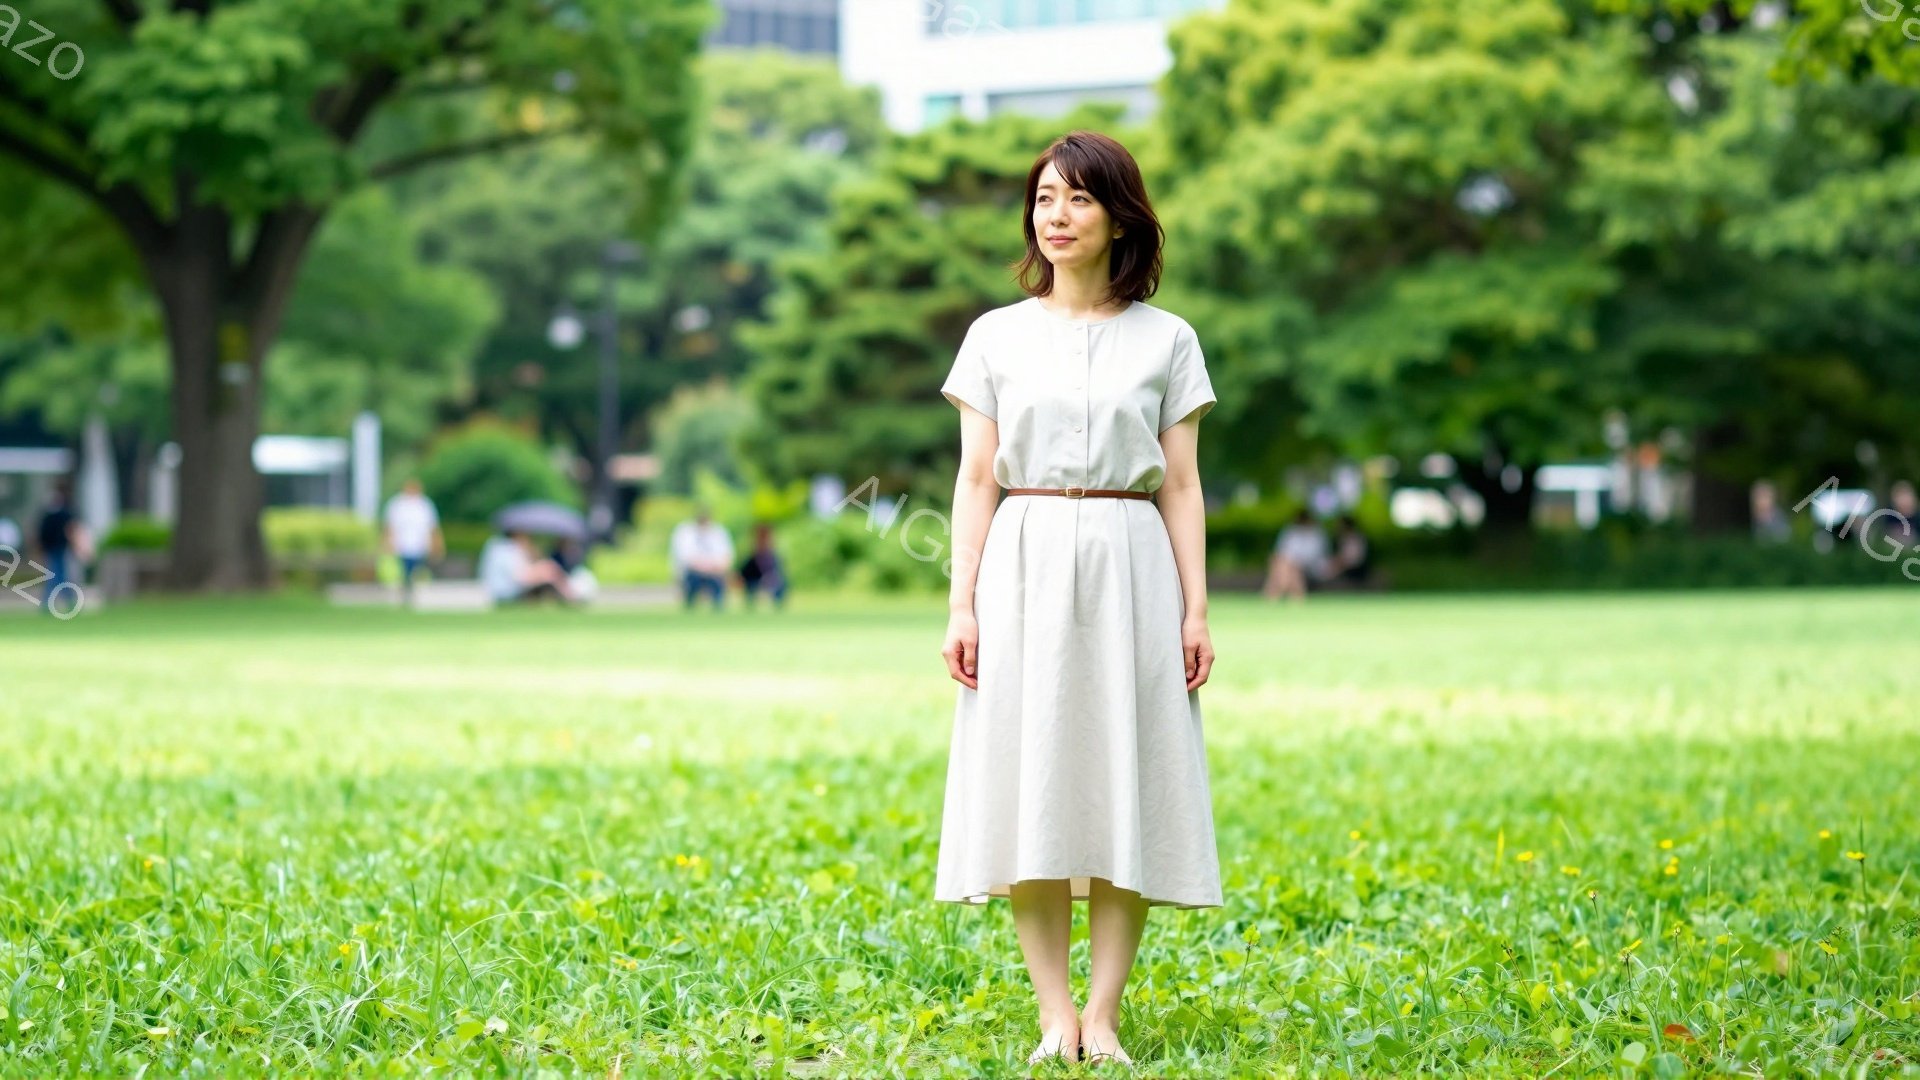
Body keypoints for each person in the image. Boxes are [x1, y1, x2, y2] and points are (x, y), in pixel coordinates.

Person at [935, 130, 1222, 1068]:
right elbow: (977, 478)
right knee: (1035, 786)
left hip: (1133, 559)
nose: (1056, 217)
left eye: (1079, 200)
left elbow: (1179, 483)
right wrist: (962, 603)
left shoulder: (1168, 338)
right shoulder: (995, 335)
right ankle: (1053, 1013)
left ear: (1119, 216)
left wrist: (1195, 609)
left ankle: (1104, 1014)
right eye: (1044, 199)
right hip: (1021, 559)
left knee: (1121, 781)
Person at [33, 479, 90, 615]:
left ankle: (51, 603)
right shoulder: (64, 510)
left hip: (54, 547)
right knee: (58, 575)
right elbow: (69, 529)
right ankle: (64, 602)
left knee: (56, 575)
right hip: (57, 546)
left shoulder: (51, 509)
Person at [477, 530, 577, 606]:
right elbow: (520, 578)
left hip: (499, 590)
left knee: (548, 569)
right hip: (507, 592)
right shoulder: (510, 550)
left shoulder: (496, 546)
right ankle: (571, 598)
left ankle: (570, 597)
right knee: (549, 569)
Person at [381, 478, 444, 599]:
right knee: (401, 573)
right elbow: (389, 527)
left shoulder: (425, 505)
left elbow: (432, 528)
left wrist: (436, 545)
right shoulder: (397, 504)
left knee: (417, 573)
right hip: (401, 546)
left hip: (419, 546)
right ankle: (404, 595)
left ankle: (412, 596)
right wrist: (388, 543)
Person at [669, 505, 734, 611]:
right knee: (692, 583)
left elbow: (726, 557)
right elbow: (685, 558)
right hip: (693, 573)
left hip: (714, 573)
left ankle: (718, 609)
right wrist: (704, 567)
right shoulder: (686, 532)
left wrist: (714, 567)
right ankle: (690, 607)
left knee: (718, 584)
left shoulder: (719, 532)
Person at [1262, 510, 1330, 601]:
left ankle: (1274, 593)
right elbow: (1282, 551)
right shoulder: (1291, 532)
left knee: (1287, 566)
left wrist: (1293, 561)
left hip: (1312, 566)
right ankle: (1295, 595)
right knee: (1283, 564)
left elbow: (1316, 556)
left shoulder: (1317, 534)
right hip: (1289, 564)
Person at [737, 522, 788, 610]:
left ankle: (778, 606)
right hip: (754, 579)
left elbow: (777, 571)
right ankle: (750, 606)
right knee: (751, 585)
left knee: (782, 583)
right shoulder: (753, 557)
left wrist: (769, 577)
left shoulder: (772, 556)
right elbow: (745, 572)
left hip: (770, 578)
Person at [1327, 514, 1372, 587]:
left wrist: (1339, 563)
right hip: (1344, 566)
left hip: (1356, 568)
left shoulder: (1356, 538)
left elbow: (1355, 558)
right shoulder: (1341, 539)